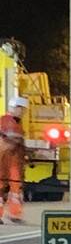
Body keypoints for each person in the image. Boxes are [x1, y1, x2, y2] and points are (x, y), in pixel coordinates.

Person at [0, 96, 29, 224]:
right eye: (21, 109)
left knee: (14, 189)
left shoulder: (17, 124)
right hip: (5, 160)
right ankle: (13, 214)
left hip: (13, 161)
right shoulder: (6, 121)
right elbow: (10, 142)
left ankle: (14, 214)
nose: (22, 112)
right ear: (14, 108)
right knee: (5, 188)